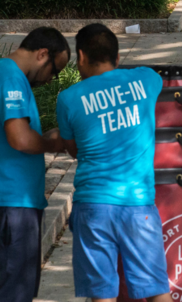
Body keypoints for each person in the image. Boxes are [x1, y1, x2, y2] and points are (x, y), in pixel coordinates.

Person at [57, 25, 172, 302]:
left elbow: (74, 151)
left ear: (80, 56)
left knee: (102, 295)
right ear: (118, 57)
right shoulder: (146, 79)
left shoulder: (68, 99)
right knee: (158, 290)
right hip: (138, 206)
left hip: (93, 207)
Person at [0, 28, 70, 302]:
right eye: (55, 70)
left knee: (12, 286)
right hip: (10, 202)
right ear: (42, 54)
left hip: (4, 200)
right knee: (13, 292)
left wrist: (46, 137)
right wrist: (53, 144)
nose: (51, 80)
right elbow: (20, 139)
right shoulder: (9, 77)